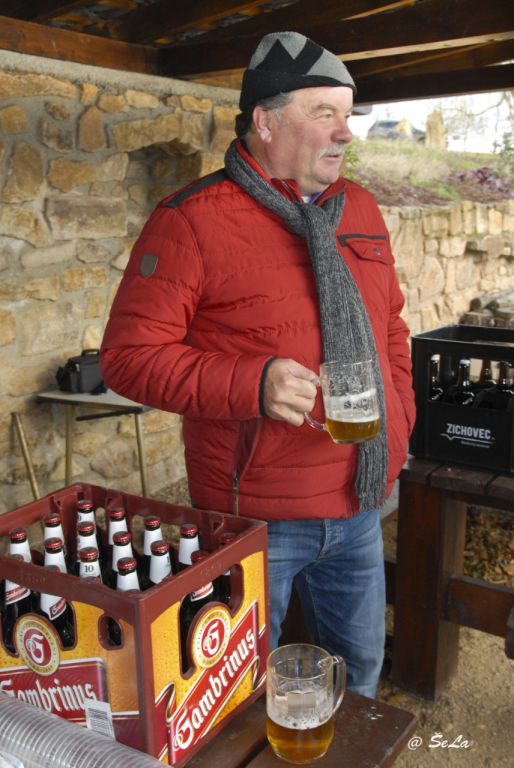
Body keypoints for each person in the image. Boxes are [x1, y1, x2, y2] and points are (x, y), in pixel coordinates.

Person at [100, 31, 415, 697]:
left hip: (359, 500)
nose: (346, 132)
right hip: (255, 518)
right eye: (324, 113)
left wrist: (401, 419)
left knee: (358, 676)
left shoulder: (358, 206)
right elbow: (128, 360)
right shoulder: (190, 220)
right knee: (240, 692)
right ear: (266, 122)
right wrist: (254, 383)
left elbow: (390, 325)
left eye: (348, 114)